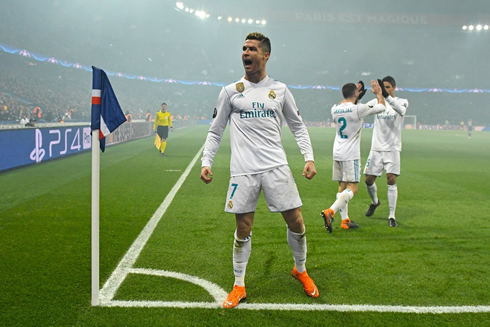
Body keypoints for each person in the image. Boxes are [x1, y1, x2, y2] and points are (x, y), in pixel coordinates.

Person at [200, 32, 319, 309]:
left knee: (297, 221)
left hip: (276, 166)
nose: (246, 53)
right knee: (243, 227)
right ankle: (238, 285)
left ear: (265, 55)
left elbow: (298, 126)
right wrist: (207, 161)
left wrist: (309, 157)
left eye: (252, 49)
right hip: (243, 170)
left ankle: (300, 269)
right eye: (243, 48)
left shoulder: (280, 90)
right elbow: (215, 131)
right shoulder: (230, 91)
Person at [321, 80, 386, 233]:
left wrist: (353, 93)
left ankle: (345, 221)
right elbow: (382, 107)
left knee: (342, 186)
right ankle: (330, 211)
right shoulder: (358, 109)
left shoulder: (334, 108)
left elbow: (344, 101)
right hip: (351, 154)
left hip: (337, 151)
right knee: (353, 188)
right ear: (356, 94)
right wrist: (379, 94)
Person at [363, 76, 409, 228]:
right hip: (376, 148)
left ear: (394, 88)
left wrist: (385, 95)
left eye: (388, 87)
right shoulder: (377, 102)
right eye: (384, 87)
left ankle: (391, 216)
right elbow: (361, 110)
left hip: (392, 149)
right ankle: (375, 202)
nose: (386, 90)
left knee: (391, 179)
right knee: (368, 180)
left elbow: (401, 111)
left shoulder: (402, 101)